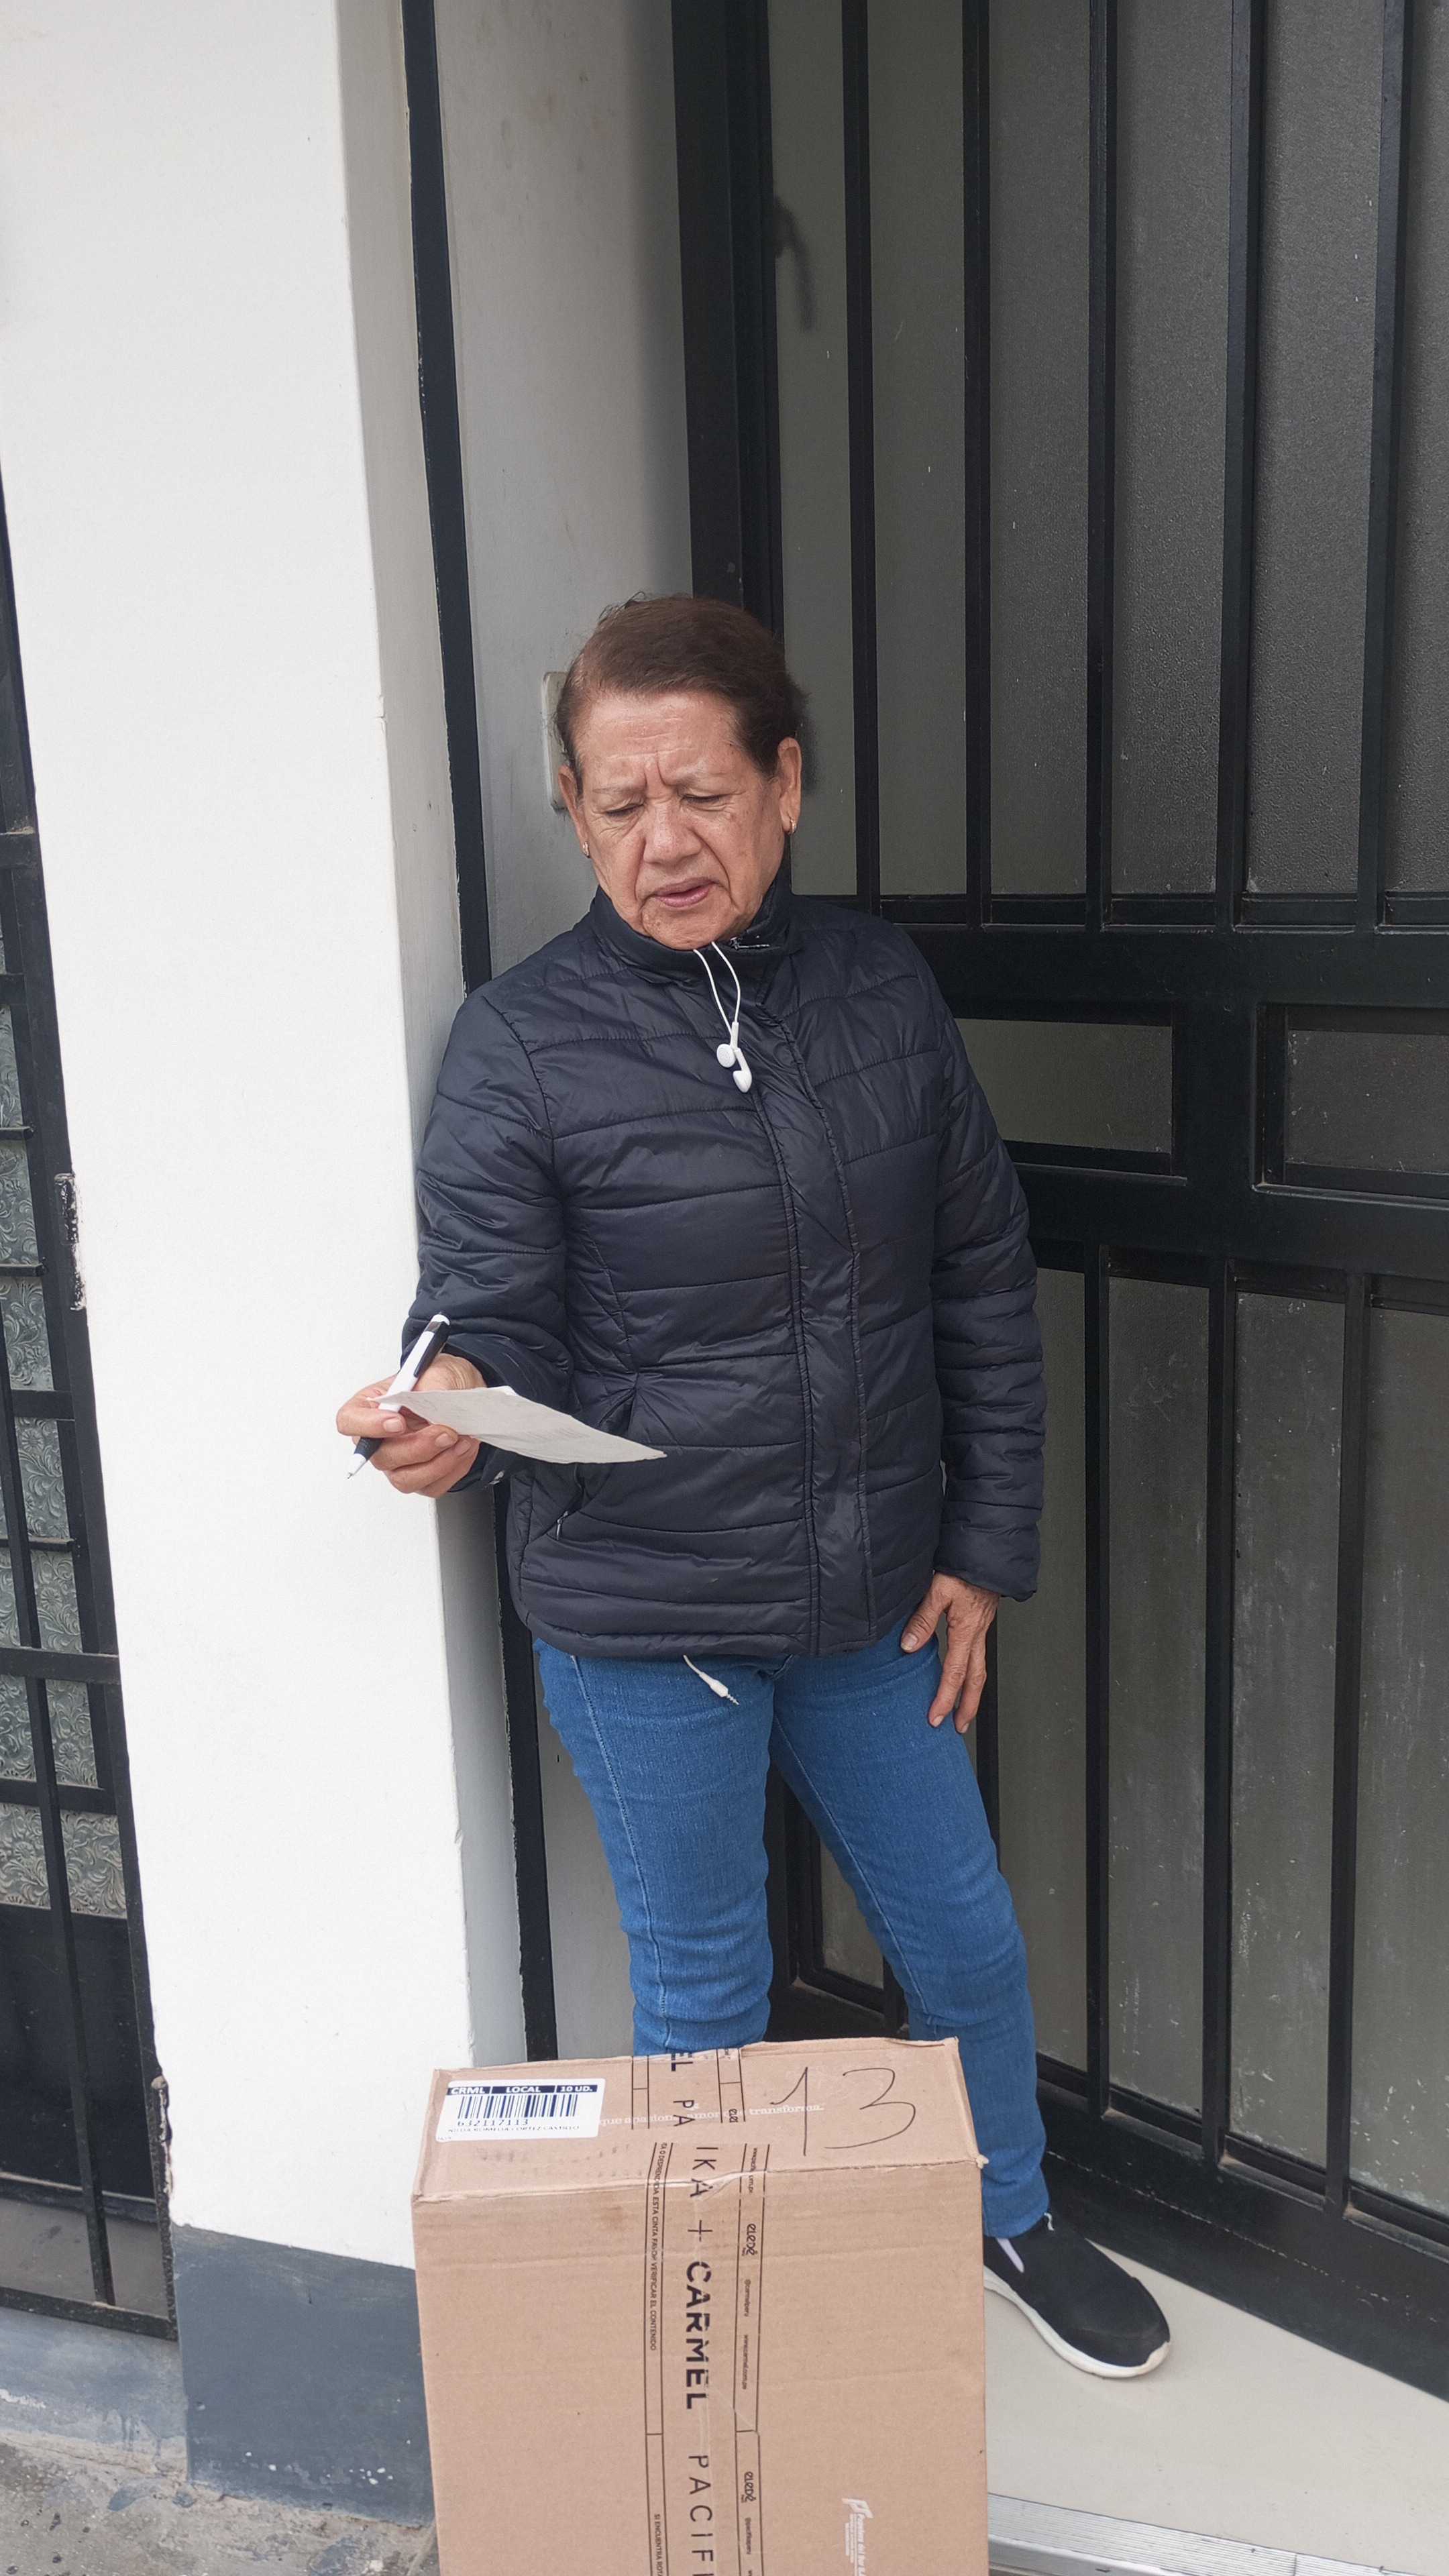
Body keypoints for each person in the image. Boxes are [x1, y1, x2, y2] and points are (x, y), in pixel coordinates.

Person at [337, 594, 1169, 2378]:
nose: (666, 842)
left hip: (872, 1601)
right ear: (574, 813)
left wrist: (983, 1550)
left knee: (964, 1942)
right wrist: (448, 1401)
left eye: (703, 794)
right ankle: (720, 2335)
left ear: (785, 786)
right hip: (649, 1625)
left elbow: (978, 1277)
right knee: (705, 1986)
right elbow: (486, 1311)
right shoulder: (521, 1042)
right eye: (620, 803)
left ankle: (1011, 2212)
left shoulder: (877, 988)